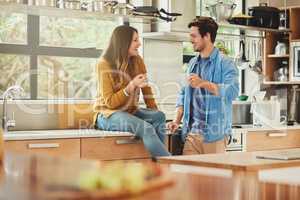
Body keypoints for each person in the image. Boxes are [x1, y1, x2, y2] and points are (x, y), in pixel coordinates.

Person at [93, 25, 170, 158]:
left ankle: (160, 162)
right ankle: (170, 164)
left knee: (159, 116)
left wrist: (155, 111)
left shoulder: (137, 61)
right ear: (123, 42)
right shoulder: (103, 64)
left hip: (129, 112)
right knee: (146, 128)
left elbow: (146, 90)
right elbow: (110, 103)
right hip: (107, 114)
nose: (139, 44)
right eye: (135, 40)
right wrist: (131, 86)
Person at [167, 17, 239, 154]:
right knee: (187, 175)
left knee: (214, 175)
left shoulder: (225, 63)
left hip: (215, 136)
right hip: (192, 135)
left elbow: (232, 91)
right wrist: (176, 120)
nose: (191, 40)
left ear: (207, 36)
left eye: (194, 36)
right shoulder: (193, 63)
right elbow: (184, 94)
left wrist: (203, 83)